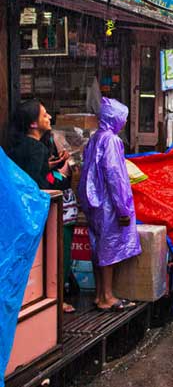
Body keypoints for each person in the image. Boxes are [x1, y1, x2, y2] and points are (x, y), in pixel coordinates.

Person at [8, 99, 77, 314]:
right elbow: (39, 184)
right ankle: (55, 301)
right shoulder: (36, 148)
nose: (49, 117)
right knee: (51, 257)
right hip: (36, 214)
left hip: (17, 213)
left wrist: (51, 165)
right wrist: (62, 175)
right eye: (44, 114)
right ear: (33, 124)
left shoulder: (19, 146)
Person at [78, 98, 141, 312]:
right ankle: (107, 296)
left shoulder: (95, 138)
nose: (124, 122)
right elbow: (116, 177)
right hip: (108, 205)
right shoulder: (111, 140)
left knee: (97, 248)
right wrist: (123, 208)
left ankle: (98, 294)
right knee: (109, 249)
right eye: (123, 118)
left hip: (94, 203)